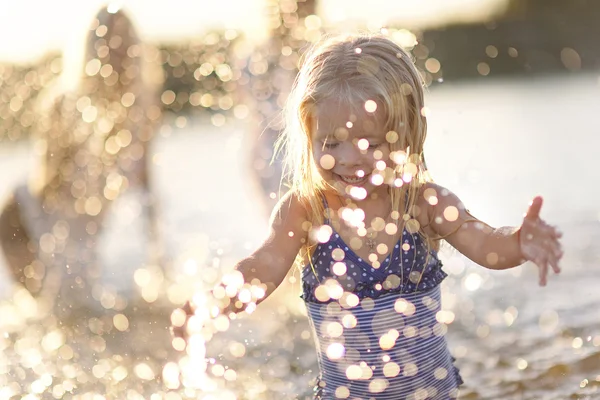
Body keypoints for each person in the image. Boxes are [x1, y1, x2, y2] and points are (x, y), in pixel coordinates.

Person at [173, 34, 563, 399]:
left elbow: (484, 242)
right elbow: (266, 264)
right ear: (308, 133)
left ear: (407, 132)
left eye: (371, 143)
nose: (349, 159)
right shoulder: (306, 210)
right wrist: (219, 298)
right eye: (331, 143)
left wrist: (518, 243)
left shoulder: (423, 203)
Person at [0, 6, 161, 312]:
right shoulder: (66, 104)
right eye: (109, 44)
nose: (118, 52)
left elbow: (147, 192)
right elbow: (50, 187)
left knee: (87, 312)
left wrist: (159, 264)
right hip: (25, 221)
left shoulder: (144, 110)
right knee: (54, 315)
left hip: (80, 227)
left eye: (125, 43)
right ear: (93, 49)